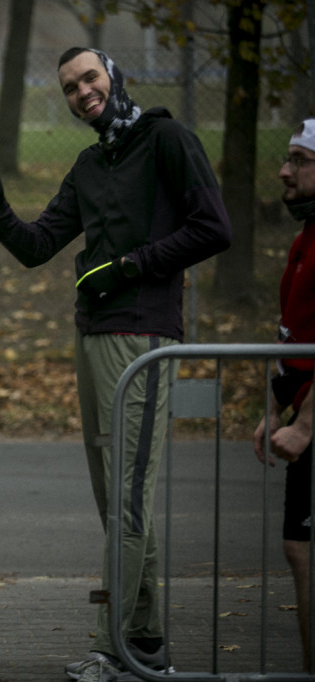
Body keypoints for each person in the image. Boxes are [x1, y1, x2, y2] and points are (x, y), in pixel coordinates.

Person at [0, 48, 232, 682]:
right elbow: (36, 247)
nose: (82, 92)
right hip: (92, 337)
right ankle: (145, 642)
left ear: (115, 76)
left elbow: (214, 228)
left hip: (142, 340)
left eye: (90, 78)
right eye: (69, 88)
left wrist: (132, 266)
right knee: (117, 502)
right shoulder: (90, 163)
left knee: (129, 501)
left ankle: (110, 648)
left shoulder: (166, 138)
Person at [253, 119, 315, 672]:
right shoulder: (303, 239)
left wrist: (307, 423)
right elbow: (292, 331)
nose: (284, 170)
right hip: (297, 406)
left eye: (299, 160)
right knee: (300, 551)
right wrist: (274, 408)